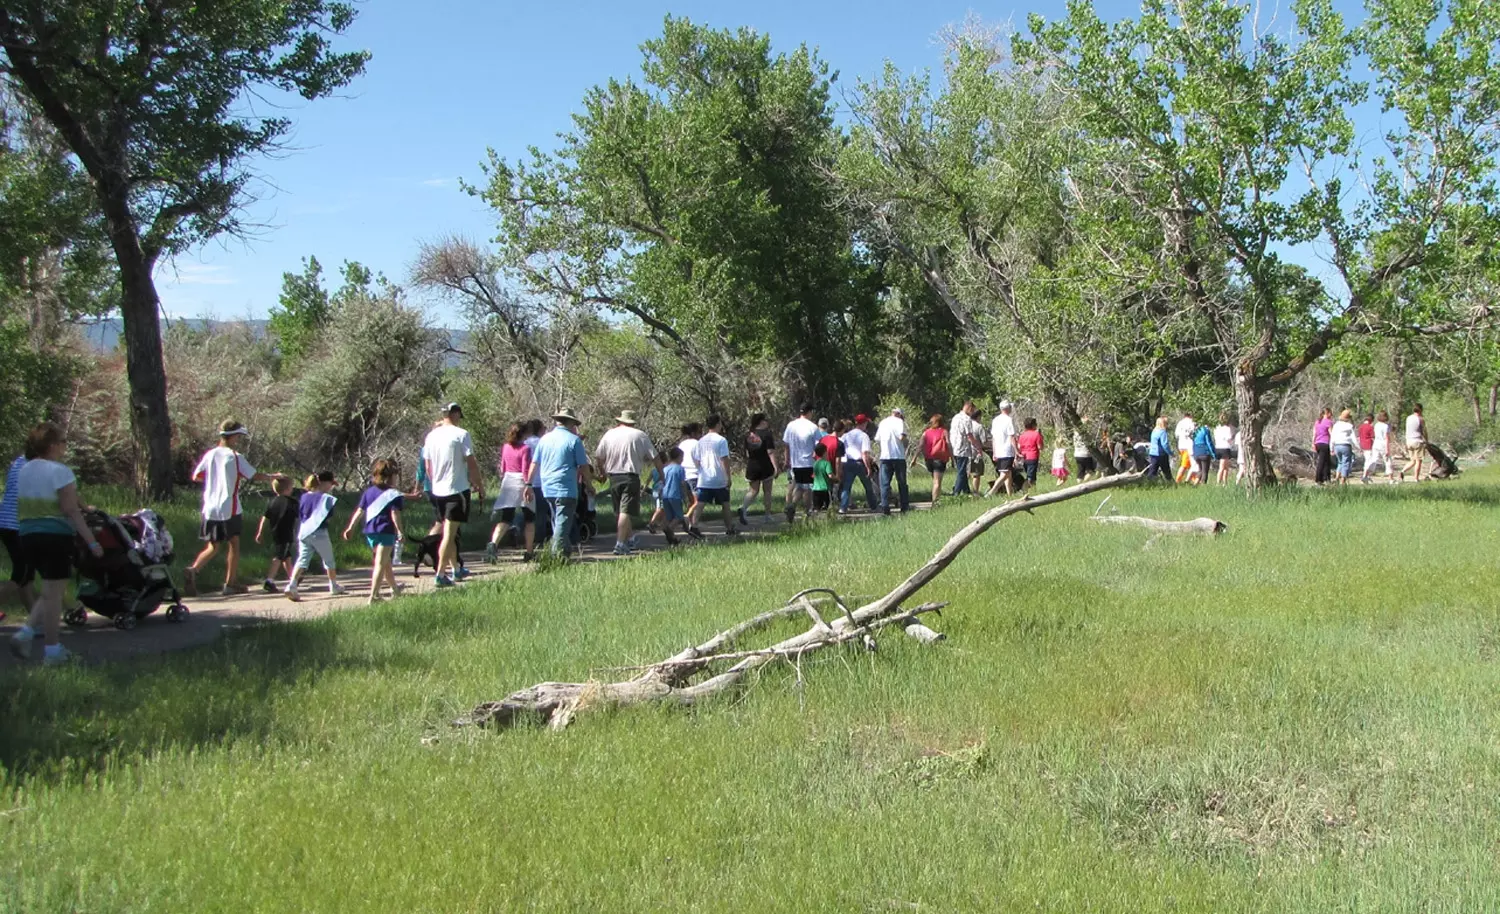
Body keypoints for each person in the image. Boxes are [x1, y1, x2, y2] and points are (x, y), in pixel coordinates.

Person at [6, 423, 102, 666]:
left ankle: (27, 634)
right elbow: (71, 510)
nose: (64, 447)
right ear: (51, 445)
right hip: (55, 535)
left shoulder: (24, 470)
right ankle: (51, 650)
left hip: (27, 534)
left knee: (51, 591)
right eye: (63, 442)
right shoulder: (61, 472)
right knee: (54, 594)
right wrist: (92, 542)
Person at [185, 420, 283, 597]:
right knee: (234, 543)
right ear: (232, 437)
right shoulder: (235, 456)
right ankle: (230, 582)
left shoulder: (210, 454)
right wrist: (273, 476)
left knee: (213, 546)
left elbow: (197, 476)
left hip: (210, 506)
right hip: (229, 506)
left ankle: (193, 569)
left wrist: (215, 480)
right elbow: (254, 475)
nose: (238, 439)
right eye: (238, 436)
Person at [423, 403, 484, 587]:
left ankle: (456, 568)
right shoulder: (461, 434)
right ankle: (441, 574)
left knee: (450, 531)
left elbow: (428, 466)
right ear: (455, 414)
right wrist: (479, 485)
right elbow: (471, 463)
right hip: (456, 490)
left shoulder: (431, 436)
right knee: (449, 535)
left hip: (437, 491)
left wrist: (436, 482)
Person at [343, 459, 406, 605]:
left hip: (371, 531)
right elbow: (395, 513)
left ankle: (395, 590)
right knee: (380, 563)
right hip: (386, 531)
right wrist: (400, 531)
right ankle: (374, 596)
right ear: (390, 476)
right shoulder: (394, 494)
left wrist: (351, 527)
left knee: (385, 562)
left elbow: (360, 511)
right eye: (394, 476)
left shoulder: (368, 492)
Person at [595, 409, 657, 556]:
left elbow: (599, 457)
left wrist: (602, 472)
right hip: (630, 476)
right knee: (626, 511)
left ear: (620, 420)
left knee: (620, 511)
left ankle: (628, 539)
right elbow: (655, 457)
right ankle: (620, 543)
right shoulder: (639, 435)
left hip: (613, 476)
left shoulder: (609, 434)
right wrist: (662, 474)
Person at [531, 408, 591, 557]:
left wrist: (528, 483)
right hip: (566, 487)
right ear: (570, 423)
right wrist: (589, 485)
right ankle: (555, 555)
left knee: (557, 520)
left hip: (547, 488)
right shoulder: (574, 440)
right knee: (562, 522)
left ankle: (565, 553)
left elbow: (534, 463)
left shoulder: (544, 439)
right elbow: (583, 466)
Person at [283, 472, 343, 601]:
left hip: (304, 532)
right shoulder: (327, 498)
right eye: (331, 484)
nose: (331, 487)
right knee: (329, 560)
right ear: (324, 483)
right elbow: (329, 516)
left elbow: (301, 514)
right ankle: (333, 585)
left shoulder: (304, 497)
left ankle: (292, 585)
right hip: (319, 532)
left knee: (302, 559)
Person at [486, 422, 536, 563]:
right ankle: (529, 552)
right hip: (521, 481)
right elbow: (525, 469)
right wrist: (529, 485)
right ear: (524, 434)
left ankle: (493, 544)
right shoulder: (525, 449)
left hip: (508, 480)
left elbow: (503, 467)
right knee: (530, 518)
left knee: (506, 517)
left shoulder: (506, 447)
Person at [0, 451, 36, 622]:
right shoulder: (36, 466)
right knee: (22, 572)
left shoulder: (19, 461)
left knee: (27, 577)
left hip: (8, 523)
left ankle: (36, 621)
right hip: (17, 525)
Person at [689, 414, 737, 538]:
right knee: (725, 504)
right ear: (717, 424)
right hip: (719, 478)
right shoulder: (721, 440)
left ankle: (694, 525)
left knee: (701, 503)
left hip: (704, 478)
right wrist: (728, 476)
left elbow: (695, 458)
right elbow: (724, 459)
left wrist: (701, 469)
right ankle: (729, 528)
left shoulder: (701, 441)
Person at [254, 476, 299, 593]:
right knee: (279, 556)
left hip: (276, 532)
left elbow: (265, 518)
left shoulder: (273, 502)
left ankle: (293, 578)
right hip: (287, 532)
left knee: (286, 556)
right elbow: (300, 517)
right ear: (288, 488)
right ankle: (269, 581)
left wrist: (260, 532)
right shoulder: (292, 502)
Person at [781, 404, 821, 523]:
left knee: (799, 486)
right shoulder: (813, 427)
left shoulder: (791, 425)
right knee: (807, 488)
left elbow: (786, 445)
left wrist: (787, 460)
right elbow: (818, 446)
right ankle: (806, 511)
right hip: (808, 463)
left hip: (795, 463)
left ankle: (792, 506)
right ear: (810, 412)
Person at [739, 413, 779, 526]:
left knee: (753, 491)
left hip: (752, 465)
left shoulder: (748, 435)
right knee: (767, 491)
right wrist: (776, 467)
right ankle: (767, 515)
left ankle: (743, 508)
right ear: (761, 422)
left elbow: (746, 452)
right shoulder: (767, 434)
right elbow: (770, 452)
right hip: (766, 465)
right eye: (766, 420)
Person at [839, 414, 878, 514]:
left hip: (848, 462)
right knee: (868, 486)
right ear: (864, 423)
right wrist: (868, 467)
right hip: (860, 463)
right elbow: (864, 453)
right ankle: (873, 506)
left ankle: (843, 507)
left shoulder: (846, 435)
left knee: (846, 487)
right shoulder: (864, 436)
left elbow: (841, 449)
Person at [874, 407, 910, 514]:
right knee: (902, 482)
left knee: (884, 483)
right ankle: (904, 506)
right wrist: (905, 441)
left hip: (885, 456)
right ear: (899, 414)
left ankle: (885, 506)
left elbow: (877, 438)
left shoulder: (883, 422)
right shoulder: (900, 422)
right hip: (898, 456)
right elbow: (901, 437)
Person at [947, 402, 983, 496]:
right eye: (972, 411)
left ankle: (966, 491)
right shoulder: (966, 419)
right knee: (962, 471)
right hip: (963, 448)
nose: (972, 413)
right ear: (970, 409)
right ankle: (956, 492)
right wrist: (977, 447)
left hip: (954, 447)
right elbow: (969, 436)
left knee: (961, 470)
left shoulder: (955, 417)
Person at [915, 414, 949, 507]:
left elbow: (920, 446)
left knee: (935, 481)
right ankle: (935, 503)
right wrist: (952, 458)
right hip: (939, 459)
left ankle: (937, 499)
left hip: (929, 459)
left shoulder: (926, 432)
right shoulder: (944, 431)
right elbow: (948, 444)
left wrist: (914, 458)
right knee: (937, 482)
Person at [987, 401, 1019, 496]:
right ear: (1008, 408)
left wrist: (994, 452)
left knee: (1008, 473)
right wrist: (1016, 451)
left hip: (999, 450)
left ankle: (1010, 493)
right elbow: (1011, 437)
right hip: (1007, 451)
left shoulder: (995, 420)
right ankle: (991, 493)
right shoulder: (1009, 420)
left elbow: (993, 438)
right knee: (1004, 474)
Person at [677, 422, 703, 520]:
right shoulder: (697, 444)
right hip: (695, 475)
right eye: (699, 432)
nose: (701, 435)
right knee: (699, 501)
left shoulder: (682, 444)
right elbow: (700, 460)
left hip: (684, 476)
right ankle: (687, 517)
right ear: (693, 433)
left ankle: (690, 523)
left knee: (690, 501)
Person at [1399, 404, 1427, 482]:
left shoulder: (1408, 418)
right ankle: (1416, 478)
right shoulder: (1420, 419)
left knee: (1413, 461)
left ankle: (1402, 471)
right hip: (1417, 441)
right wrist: (1426, 441)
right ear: (1420, 410)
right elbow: (1424, 431)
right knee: (1418, 461)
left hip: (1409, 441)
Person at [1330, 408, 1357, 484]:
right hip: (1346, 445)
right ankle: (1343, 480)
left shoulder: (1336, 425)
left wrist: (1331, 448)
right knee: (1346, 463)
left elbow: (1332, 437)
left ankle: (1337, 478)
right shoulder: (1349, 426)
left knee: (1340, 462)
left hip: (1337, 445)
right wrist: (1358, 446)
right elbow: (1353, 438)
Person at [1366, 411, 1393, 482]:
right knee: (1388, 461)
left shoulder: (1376, 425)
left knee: (1373, 460)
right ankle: (1391, 478)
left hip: (1376, 444)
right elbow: (1386, 438)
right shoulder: (1386, 426)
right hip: (1383, 444)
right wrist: (1387, 449)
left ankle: (1366, 475)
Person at [1017, 418, 1044, 488]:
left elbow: (1019, 447)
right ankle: (1026, 489)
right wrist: (1041, 438)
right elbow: (1040, 447)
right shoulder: (1036, 434)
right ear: (1033, 425)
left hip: (1024, 458)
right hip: (1033, 457)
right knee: (1030, 476)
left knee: (1031, 474)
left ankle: (1033, 489)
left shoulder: (1022, 435)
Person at [810, 442, 835, 513]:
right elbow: (830, 475)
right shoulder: (827, 463)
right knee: (828, 507)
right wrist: (836, 478)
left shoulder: (815, 463)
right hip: (825, 489)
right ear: (825, 453)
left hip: (815, 489)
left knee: (816, 508)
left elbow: (813, 475)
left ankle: (815, 517)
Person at [1174, 412, 1197, 483]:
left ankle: (1194, 480)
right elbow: (1194, 434)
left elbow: (1176, 435)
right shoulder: (1192, 423)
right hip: (1188, 446)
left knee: (1190, 464)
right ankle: (1178, 480)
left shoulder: (1180, 423)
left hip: (1181, 445)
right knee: (1185, 464)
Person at [1312, 407, 1334, 484]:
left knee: (1326, 461)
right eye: (1330, 413)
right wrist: (1333, 444)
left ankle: (1326, 478)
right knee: (1322, 462)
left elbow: (1314, 434)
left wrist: (1313, 443)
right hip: (1325, 443)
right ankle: (1318, 479)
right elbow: (1331, 433)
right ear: (1327, 413)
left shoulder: (1317, 422)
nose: (1331, 415)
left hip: (1318, 443)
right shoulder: (1328, 422)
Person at [1212, 414, 1236, 485]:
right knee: (1222, 467)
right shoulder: (1227, 428)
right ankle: (1218, 483)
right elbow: (1229, 438)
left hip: (1218, 447)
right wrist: (1233, 436)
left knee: (1226, 467)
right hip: (1225, 448)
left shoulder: (1216, 428)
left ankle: (1225, 483)